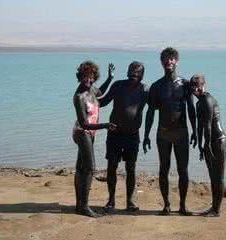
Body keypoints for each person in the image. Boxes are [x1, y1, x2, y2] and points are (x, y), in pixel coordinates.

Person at [143, 47, 197, 215]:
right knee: (163, 169)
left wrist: (195, 131)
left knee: (183, 170)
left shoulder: (185, 84)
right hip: (163, 133)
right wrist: (145, 135)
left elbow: (191, 109)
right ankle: (166, 205)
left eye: (172, 59)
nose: (169, 62)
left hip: (181, 133)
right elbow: (151, 112)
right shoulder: (157, 86)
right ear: (161, 63)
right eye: (166, 59)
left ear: (177, 61)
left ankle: (182, 206)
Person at [99, 61, 149, 212]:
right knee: (112, 167)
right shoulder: (118, 86)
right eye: (131, 71)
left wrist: (147, 134)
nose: (134, 74)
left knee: (131, 168)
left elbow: (155, 108)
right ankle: (111, 200)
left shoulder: (146, 90)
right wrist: (86, 96)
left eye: (138, 72)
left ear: (142, 75)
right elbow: (102, 102)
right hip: (114, 134)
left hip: (133, 135)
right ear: (127, 72)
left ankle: (130, 201)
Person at [73, 61, 116, 217]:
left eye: (91, 77)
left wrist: (110, 79)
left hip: (90, 132)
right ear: (80, 76)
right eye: (85, 77)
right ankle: (84, 207)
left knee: (81, 168)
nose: (88, 80)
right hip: (82, 131)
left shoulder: (92, 89)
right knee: (90, 168)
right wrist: (105, 125)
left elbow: (100, 92)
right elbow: (84, 124)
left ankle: (79, 205)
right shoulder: (79, 97)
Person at [189, 73, 226, 217]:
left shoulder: (207, 100)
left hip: (218, 142)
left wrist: (208, 146)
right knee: (213, 177)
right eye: (194, 88)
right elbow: (200, 127)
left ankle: (216, 210)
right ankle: (214, 207)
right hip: (210, 142)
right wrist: (200, 146)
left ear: (204, 85)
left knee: (218, 177)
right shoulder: (198, 102)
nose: (197, 91)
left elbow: (208, 127)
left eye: (199, 87)